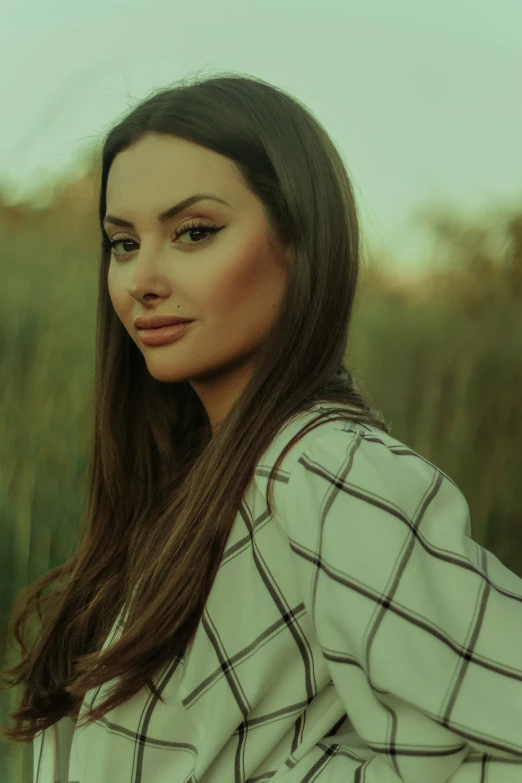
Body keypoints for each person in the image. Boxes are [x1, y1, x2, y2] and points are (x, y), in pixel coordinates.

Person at [1, 71, 521, 783]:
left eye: (194, 232)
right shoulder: (189, 482)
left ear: (300, 243)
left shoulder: (330, 471)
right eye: (122, 242)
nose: (141, 278)